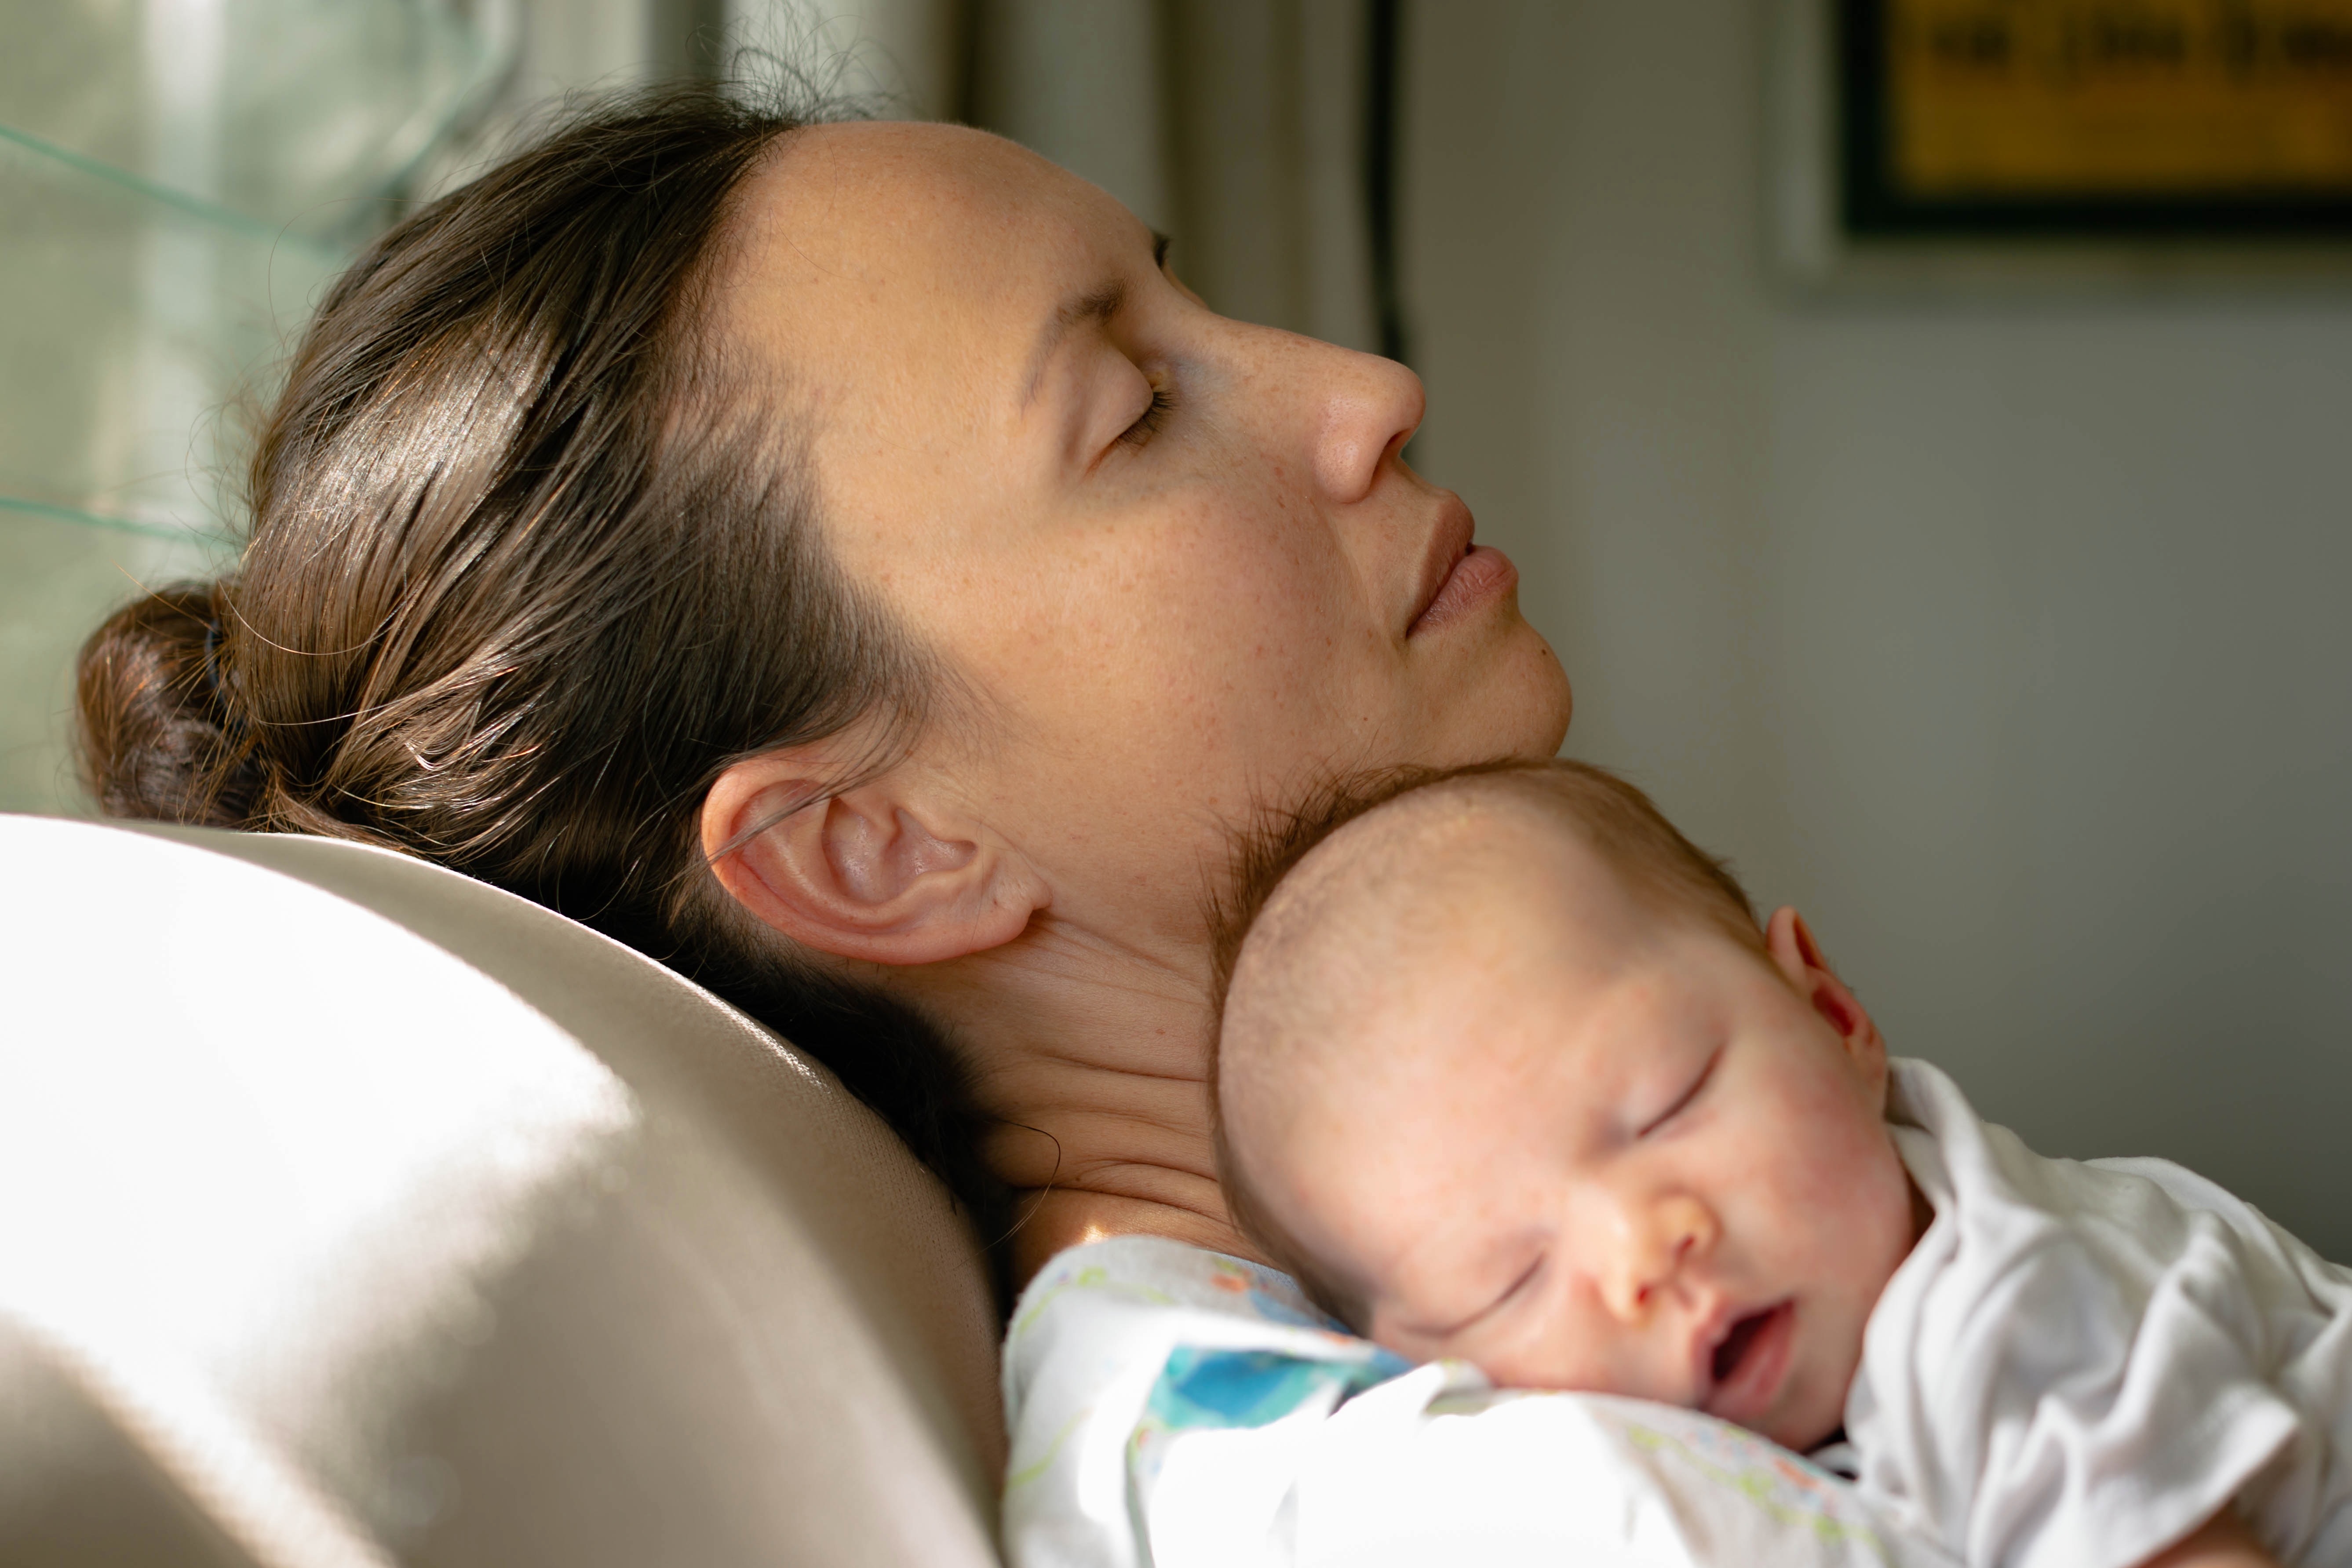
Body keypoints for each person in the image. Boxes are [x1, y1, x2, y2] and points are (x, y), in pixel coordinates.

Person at [78, 81, 1947, 1567]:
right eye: (1136, 409)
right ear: (873, 849)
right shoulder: (1319, 1500)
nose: (1370, 395)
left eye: (1189, 307)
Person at [1212, 758, 2352, 1568]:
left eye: (1670, 1103)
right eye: (1508, 1280)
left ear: (1831, 1010)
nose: (1646, 1246)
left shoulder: (2004, 1323)